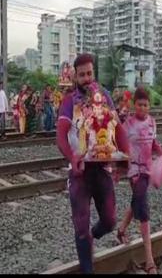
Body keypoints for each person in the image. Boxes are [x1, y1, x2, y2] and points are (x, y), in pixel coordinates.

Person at [56, 53, 129, 274]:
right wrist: (72, 157)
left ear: (93, 72)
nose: (86, 78)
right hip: (79, 172)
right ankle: (87, 266)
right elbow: (60, 136)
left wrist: (125, 158)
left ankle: (93, 236)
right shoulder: (69, 101)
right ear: (75, 77)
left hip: (102, 168)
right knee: (80, 227)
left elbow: (117, 128)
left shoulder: (104, 96)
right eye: (82, 75)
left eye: (89, 73)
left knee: (109, 221)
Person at [117, 87, 162, 275]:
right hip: (134, 171)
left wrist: (160, 152)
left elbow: (153, 143)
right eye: (139, 105)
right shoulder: (128, 124)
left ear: (149, 106)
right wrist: (118, 170)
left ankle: (121, 230)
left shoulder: (152, 122)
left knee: (138, 202)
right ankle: (150, 260)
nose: (143, 108)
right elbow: (121, 147)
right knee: (142, 208)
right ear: (134, 105)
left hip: (147, 169)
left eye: (146, 105)